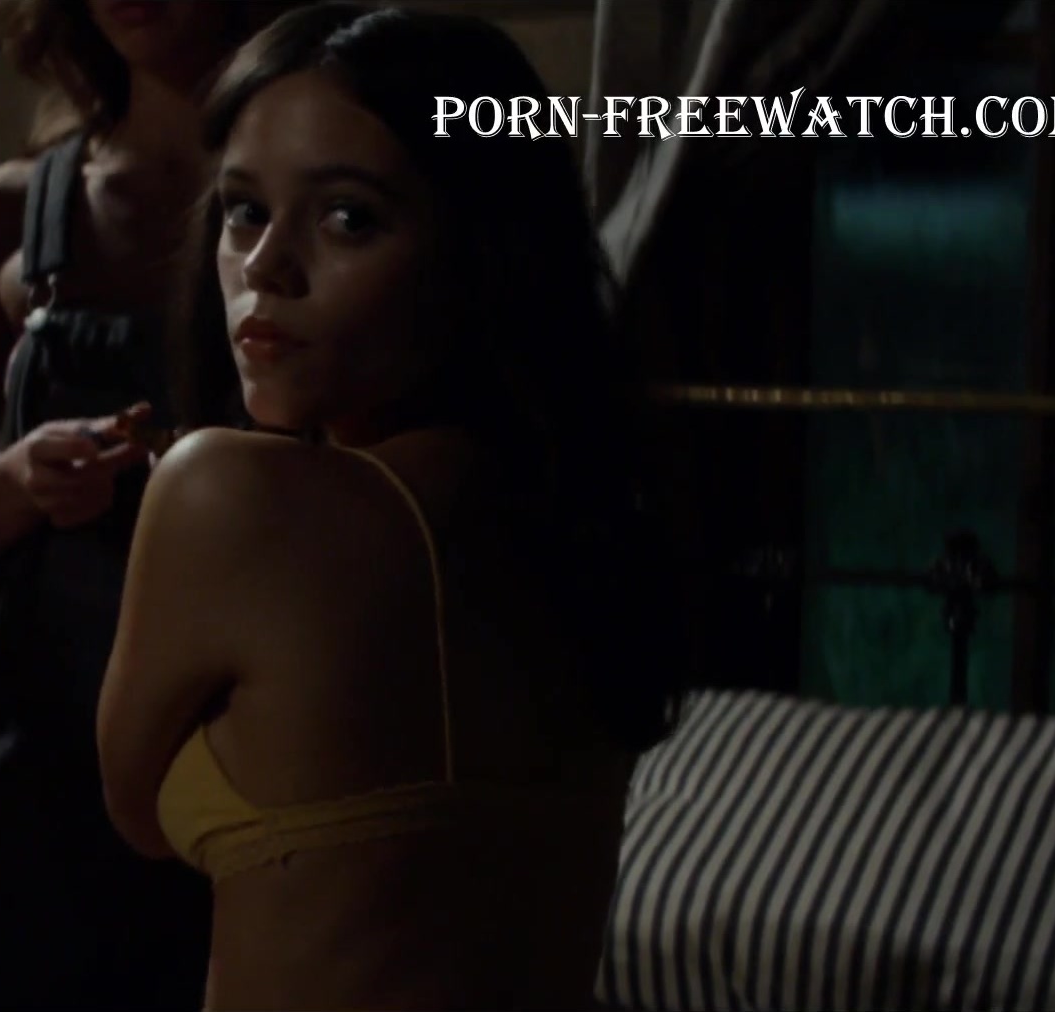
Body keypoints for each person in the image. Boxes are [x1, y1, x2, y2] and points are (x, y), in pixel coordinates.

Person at [96, 4, 689, 1009]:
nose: (265, 268)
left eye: (348, 218)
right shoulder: (577, 517)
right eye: (243, 210)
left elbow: (136, 813)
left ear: (480, 250)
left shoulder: (228, 495)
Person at [0, 1, 303, 1008]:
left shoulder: (305, 218)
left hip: (221, 795)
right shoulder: (7, 214)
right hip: (3, 799)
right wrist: (18, 481)